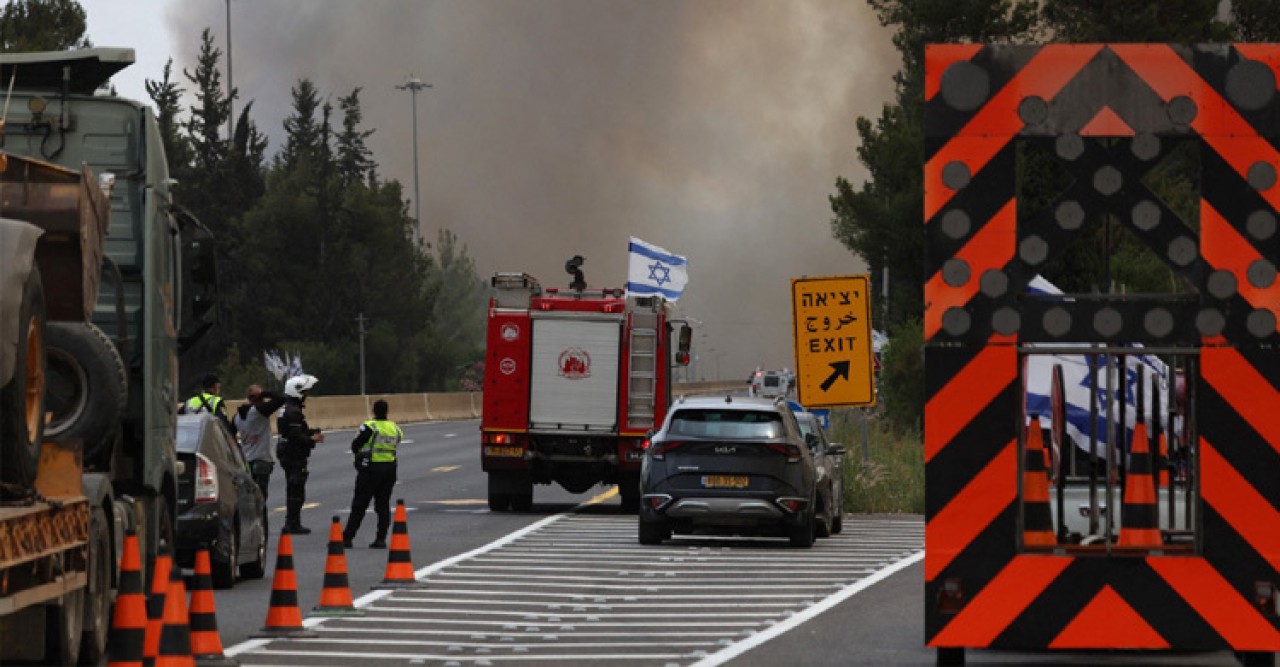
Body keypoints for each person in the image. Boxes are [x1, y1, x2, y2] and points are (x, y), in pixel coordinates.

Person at [342, 400, 403, 549]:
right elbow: (398, 441)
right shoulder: (394, 427)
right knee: (383, 505)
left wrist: (361, 455)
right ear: (387, 411)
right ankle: (381, 538)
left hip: (371, 470)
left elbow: (355, 446)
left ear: (374, 411)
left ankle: (347, 538)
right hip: (389, 470)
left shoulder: (370, 426)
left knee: (359, 505)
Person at [276, 374, 323, 534]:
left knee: (293, 487)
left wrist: (312, 432)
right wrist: (312, 440)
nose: (306, 395)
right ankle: (292, 523)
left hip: (287, 452)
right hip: (293, 454)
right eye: (304, 392)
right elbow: (295, 435)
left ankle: (292, 522)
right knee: (296, 490)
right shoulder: (293, 411)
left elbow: (296, 431)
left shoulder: (287, 409)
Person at [232, 384, 285, 504]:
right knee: (260, 498)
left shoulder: (237, 417)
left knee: (249, 497)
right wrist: (264, 393)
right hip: (261, 460)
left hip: (246, 461)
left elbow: (229, 435)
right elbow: (281, 399)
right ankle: (262, 521)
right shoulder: (259, 411)